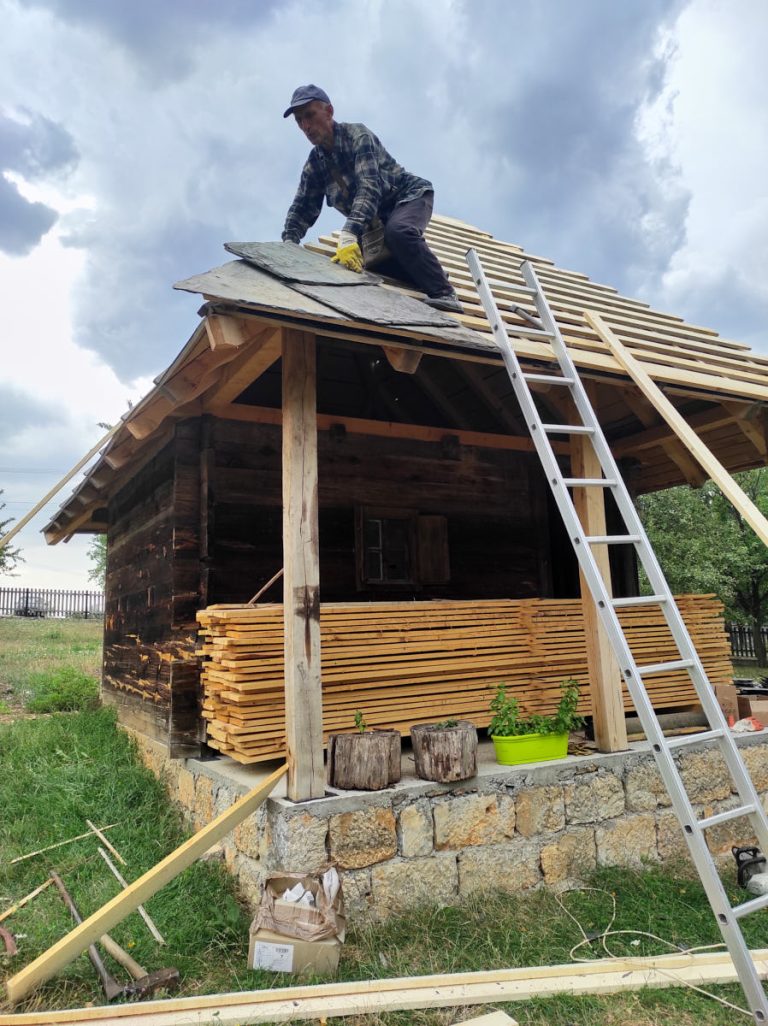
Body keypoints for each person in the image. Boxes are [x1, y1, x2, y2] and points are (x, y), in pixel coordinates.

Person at [281, 84, 462, 313]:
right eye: (299, 121)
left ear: (329, 111)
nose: (306, 126)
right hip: (375, 223)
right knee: (371, 266)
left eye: (310, 115)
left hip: (407, 198)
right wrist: (288, 243)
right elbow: (302, 207)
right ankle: (422, 273)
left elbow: (369, 188)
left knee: (399, 232)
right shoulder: (315, 165)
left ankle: (444, 292)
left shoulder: (358, 136)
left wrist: (348, 234)